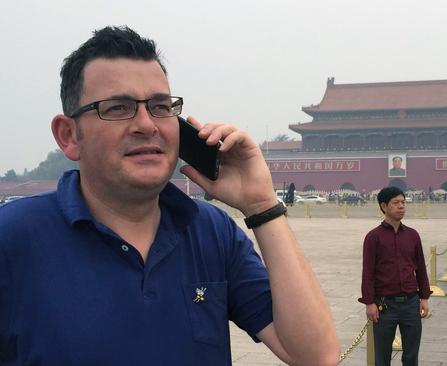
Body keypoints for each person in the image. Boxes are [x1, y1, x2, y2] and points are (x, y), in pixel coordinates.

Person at [0, 26, 339, 365]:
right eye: (118, 108)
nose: (147, 125)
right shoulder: (14, 236)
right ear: (69, 135)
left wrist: (261, 205)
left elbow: (316, 356)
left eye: (161, 107)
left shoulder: (212, 232)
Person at [360, 186, 431, 366]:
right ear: (384, 206)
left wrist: (424, 297)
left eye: (403, 203)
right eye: (396, 203)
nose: (401, 206)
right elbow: (368, 272)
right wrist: (369, 303)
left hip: (411, 304)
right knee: (382, 357)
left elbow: (421, 268)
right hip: (385, 306)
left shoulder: (413, 236)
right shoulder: (373, 237)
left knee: (411, 356)